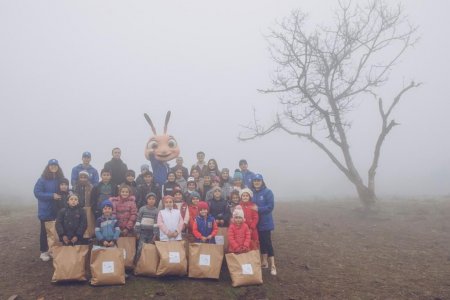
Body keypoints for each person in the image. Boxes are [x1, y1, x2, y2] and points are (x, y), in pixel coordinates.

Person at [34, 159, 65, 261]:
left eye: (55, 165)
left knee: (55, 230)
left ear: (58, 167)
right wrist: (51, 196)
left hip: (57, 209)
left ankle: (52, 250)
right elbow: (37, 193)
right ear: (48, 167)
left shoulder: (60, 178)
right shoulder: (42, 179)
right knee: (45, 231)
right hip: (45, 210)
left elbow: (64, 188)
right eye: (51, 165)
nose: (53, 167)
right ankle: (43, 251)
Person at [251, 173, 277, 275]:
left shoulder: (268, 192)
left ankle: (273, 265)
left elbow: (270, 207)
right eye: (255, 181)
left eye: (258, 181)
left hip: (265, 223)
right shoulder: (252, 193)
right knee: (260, 242)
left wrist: (258, 209)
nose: (257, 182)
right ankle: (264, 262)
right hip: (255, 223)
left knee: (267, 243)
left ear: (262, 182)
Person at [135, 192, 159, 260]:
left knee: (150, 248)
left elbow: (156, 223)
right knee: (140, 248)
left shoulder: (156, 211)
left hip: (151, 233)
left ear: (155, 200)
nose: (151, 200)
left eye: (153, 199)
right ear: (147, 200)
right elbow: (138, 220)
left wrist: (155, 234)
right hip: (142, 232)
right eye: (149, 199)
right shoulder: (142, 209)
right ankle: (138, 264)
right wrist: (137, 232)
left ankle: (148, 264)